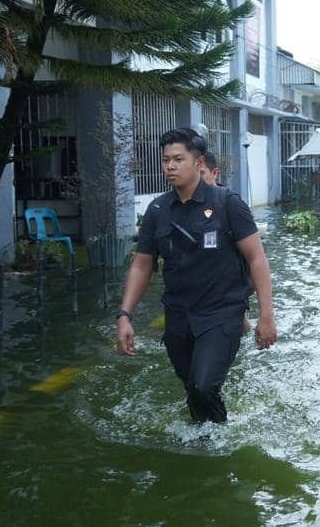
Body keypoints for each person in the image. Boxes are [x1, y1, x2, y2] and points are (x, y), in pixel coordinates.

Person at [115, 127, 277, 423]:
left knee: (202, 386)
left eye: (178, 159)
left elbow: (257, 259)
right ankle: (205, 433)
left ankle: (218, 441)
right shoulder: (158, 210)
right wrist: (125, 315)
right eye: (166, 160)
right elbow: (142, 264)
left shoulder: (226, 204)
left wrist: (267, 315)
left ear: (199, 162)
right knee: (193, 387)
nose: (170, 166)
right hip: (178, 317)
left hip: (222, 314)